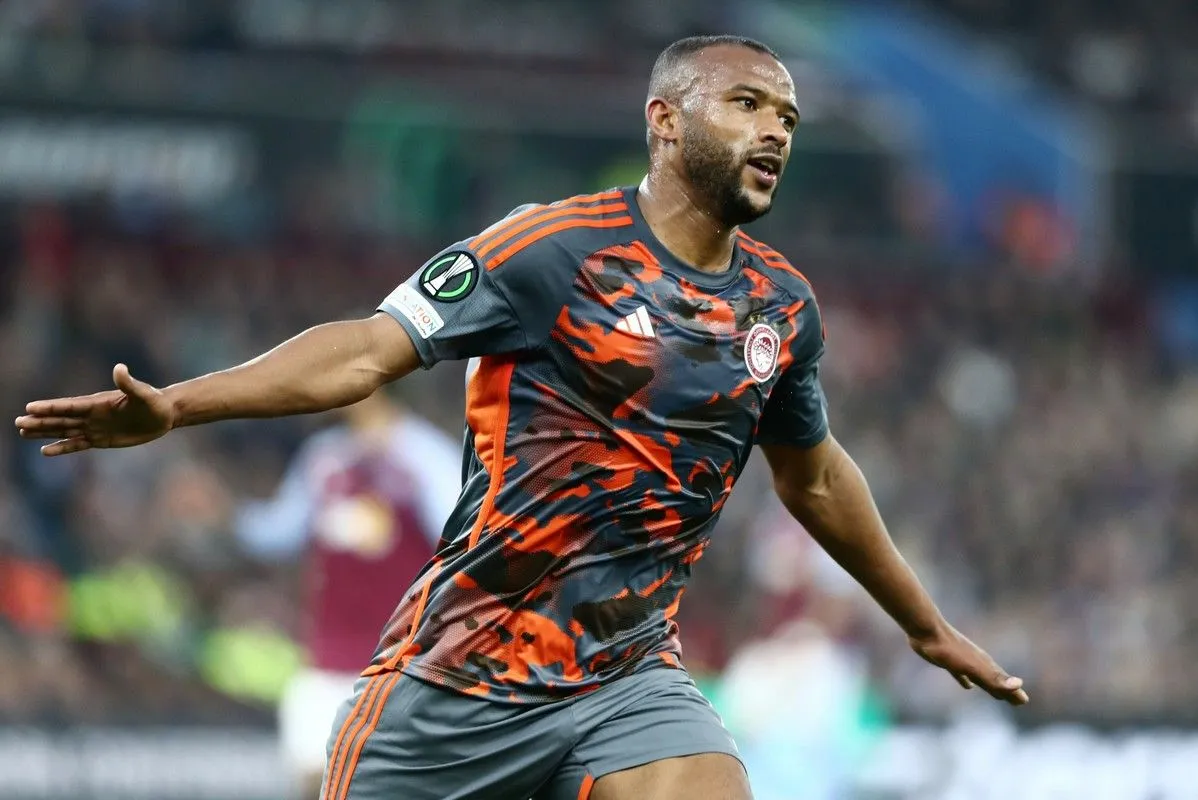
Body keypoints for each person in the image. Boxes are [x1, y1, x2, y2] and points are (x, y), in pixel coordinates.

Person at [15, 34, 1029, 800]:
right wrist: (178, 405)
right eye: (747, 105)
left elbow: (815, 476)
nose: (775, 132)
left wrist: (924, 626)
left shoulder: (780, 308)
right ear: (665, 121)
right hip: (461, 673)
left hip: (626, 677)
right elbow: (368, 349)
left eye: (789, 120)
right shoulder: (550, 250)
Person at [233, 389, 461, 798]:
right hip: (327, 656)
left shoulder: (422, 455)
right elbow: (282, 530)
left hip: (399, 664)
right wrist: (227, 517)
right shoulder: (323, 456)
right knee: (314, 779)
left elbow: (462, 529)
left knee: (391, 784)